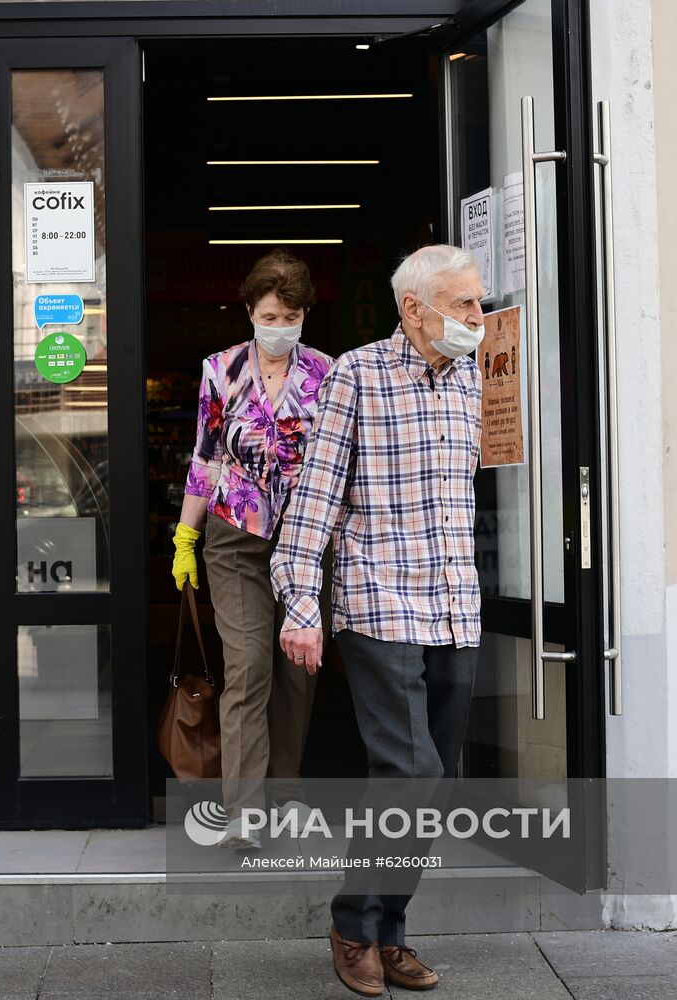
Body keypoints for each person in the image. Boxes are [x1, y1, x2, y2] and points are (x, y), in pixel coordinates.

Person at [271, 245, 485, 995]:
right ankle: (352, 924)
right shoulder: (356, 375)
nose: (477, 319)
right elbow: (315, 500)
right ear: (414, 308)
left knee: (438, 782)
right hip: (379, 601)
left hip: (454, 605)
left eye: (478, 303)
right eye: (464, 304)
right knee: (410, 770)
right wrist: (301, 604)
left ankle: (388, 930)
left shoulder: (470, 381)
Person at [171, 249, 335, 850]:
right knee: (248, 665)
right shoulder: (221, 369)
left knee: (298, 671)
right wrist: (186, 535)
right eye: (269, 314)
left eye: (290, 315)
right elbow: (206, 456)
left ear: (303, 316)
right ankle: (242, 808)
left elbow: (337, 462)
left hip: (304, 539)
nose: (279, 325)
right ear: (249, 311)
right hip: (234, 537)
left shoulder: (326, 373)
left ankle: (285, 791)